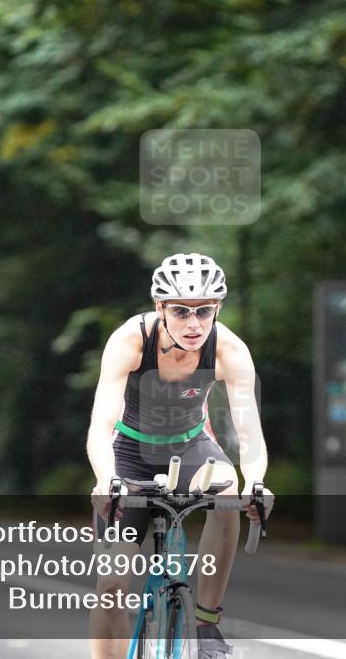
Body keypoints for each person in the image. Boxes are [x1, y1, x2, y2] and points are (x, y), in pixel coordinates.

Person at [87, 252, 274, 659]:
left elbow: (250, 435)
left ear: (217, 309)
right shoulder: (130, 340)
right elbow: (101, 424)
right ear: (160, 309)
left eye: (204, 312)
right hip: (130, 453)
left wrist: (257, 483)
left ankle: (207, 624)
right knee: (112, 586)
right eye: (181, 312)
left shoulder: (230, 350)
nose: (194, 324)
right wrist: (106, 479)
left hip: (191, 446)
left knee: (228, 492)